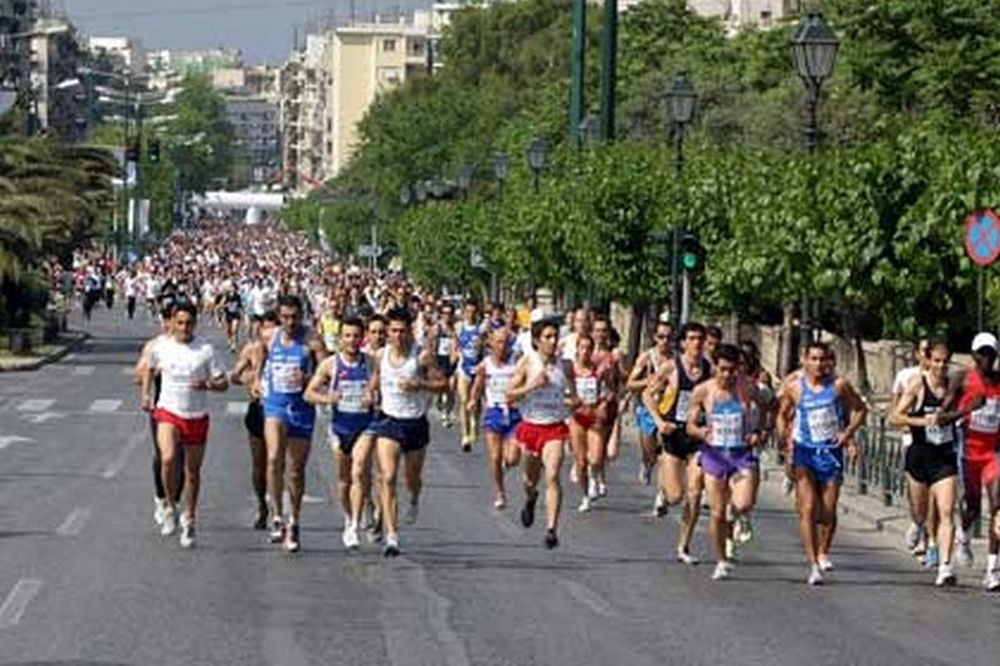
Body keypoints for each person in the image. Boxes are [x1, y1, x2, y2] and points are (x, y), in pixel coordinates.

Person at [776, 341, 867, 585]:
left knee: (826, 512)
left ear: (828, 362)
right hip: (804, 452)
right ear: (804, 360)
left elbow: (860, 410)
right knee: (807, 508)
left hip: (830, 453)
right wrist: (785, 438)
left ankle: (823, 549)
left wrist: (847, 435)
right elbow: (782, 414)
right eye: (813, 359)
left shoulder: (839, 387)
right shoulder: (795, 388)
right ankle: (813, 564)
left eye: (822, 359)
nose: (817, 364)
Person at [140, 301, 228, 548]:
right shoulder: (162, 347)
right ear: (173, 322)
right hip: (168, 411)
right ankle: (169, 504)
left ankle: (189, 518)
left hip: (196, 415)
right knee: (167, 458)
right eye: (179, 323)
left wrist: (208, 384)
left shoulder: (206, 350)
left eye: (188, 323)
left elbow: (223, 383)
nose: (183, 327)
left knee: (192, 472)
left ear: (195, 323)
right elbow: (148, 368)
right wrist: (147, 394)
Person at [368, 308, 447, 556]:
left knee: (411, 478)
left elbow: (443, 384)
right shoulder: (380, 355)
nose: (397, 336)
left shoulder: (422, 357)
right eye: (393, 331)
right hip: (389, 421)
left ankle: (413, 497)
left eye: (402, 331)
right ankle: (392, 536)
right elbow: (377, 379)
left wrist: (420, 384)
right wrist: (369, 392)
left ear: (410, 331)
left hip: (415, 423)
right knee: (387, 476)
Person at [256, 295, 328, 553]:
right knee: (274, 457)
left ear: (302, 315)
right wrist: (256, 380)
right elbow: (260, 357)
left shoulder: (312, 340)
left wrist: (308, 377)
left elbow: (328, 373)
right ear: (278, 316)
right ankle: (277, 516)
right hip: (275, 405)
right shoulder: (269, 336)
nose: (290, 322)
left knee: (296, 469)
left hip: (301, 408)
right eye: (285, 317)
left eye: (294, 317)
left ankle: (294, 520)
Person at [686, 343, 761, 580]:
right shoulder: (703, 391)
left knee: (743, 503)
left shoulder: (747, 388)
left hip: (740, 455)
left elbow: (768, 407)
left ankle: (740, 515)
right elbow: (690, 424)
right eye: (723, 369)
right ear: (715, 367)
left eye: (732, 370)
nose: (727, 375)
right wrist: (700, 433)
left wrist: (759, 431)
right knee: (717, 513)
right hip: (714, 455)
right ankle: (721, 559)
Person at [506, 317, 580, 549]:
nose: (553, 341)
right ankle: (530, 497)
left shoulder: (565, 365)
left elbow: (574, 396)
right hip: (530, 426)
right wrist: (532, 386)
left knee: (553, 475)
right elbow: (509, 395)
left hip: (555, 428)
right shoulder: (527, 363)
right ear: (537, 341)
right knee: (530, 480)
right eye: (547, 337)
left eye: (555, 336)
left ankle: (551, 529)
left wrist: (573, 402)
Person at [890, 337, 958, 586]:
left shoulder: (953, 386)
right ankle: (917, 524)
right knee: (920, 510)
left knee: (947, 511)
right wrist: (922, 422)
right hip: (919, 455)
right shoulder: (918, 385)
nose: (941, 366)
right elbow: (895, 417)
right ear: (928, 360)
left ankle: (945, 566)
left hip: (944, 458)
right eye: (936, 361)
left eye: (945, 362)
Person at [304, 317, 375, 550]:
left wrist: (374, 397)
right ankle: (349, 516)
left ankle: (354, 525)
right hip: (339, 427)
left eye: (356, 336)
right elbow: (309, 394)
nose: (352, 340)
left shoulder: (371, 363)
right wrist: (328, 398)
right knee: (344, 480)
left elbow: (384, 389)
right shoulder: (331, 365)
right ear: (340, 339)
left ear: (362, 338)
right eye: (347, 336)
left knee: (360, 467)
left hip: (366, 425)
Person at [645, 322, 712, 564]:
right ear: (683, 343)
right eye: (692, 339)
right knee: (675, 497)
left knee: (694, 493)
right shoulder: (671, 368)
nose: (697, 344)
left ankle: (684, 545)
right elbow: (647, 395)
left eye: (700, 339)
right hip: (673, 433)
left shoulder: (709, 370)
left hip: (696, 436)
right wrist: (658, 421)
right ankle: (663, 488)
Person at [938, 332, 1000, 590]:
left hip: (993, 454)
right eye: (981, 353)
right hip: (967, 453)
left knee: (997, 505)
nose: (986, 358)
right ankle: (963, 537)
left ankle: (992, 570)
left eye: (991, 354)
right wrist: (969, 409)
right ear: (974, 355)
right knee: (971, 507)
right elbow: (941, 418)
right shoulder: (962, 379)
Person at [133, 300, 184, 529]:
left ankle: (175, 500)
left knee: (181, 459)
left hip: (185, 406)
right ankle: (161, 498)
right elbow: (139, 375)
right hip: (161, 407)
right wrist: (147, 386)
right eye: (167, 320)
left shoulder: (189, 346)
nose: (170, 325)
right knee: (164, 456)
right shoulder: (154, 346)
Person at [229, 310, 278, 530]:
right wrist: (248, 378)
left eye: (272, 328)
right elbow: (234, 376)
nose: (267, 333)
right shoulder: (252, 349)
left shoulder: (288, 350)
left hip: (280, 410)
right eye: (264, 328)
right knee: (259, 464)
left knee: (276, 461)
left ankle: (277, 509)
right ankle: (262, 504)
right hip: (258, 410)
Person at [469, 327, 522, 510]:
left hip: (515, 413)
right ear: (491, 343)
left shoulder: (517, 361)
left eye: (506, 342)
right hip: (494, 412)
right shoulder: (486, 364)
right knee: (494, 456)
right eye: (499, 342)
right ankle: (500, 492)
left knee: (513, 457)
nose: (502, 346)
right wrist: (472, 400)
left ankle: (505, 466)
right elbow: (478, 385)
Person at [892, 338, 934, 558]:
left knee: (936, 496)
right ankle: (917, 522)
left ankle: (931, 542)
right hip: (913, 439)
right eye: (925, 351)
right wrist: (909, 425)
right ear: (918, 354)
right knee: (917, 493)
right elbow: (896, 407)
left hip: (938, 444)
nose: (928, 356)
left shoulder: (946, 379)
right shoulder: (906, 376)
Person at [625, 319, 673, 493]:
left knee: (664, 453)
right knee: (649, 449)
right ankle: (646, 461)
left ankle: (662, 491)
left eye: (668, 337)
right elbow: (630, 384)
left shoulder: (676, 360)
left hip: (667, 410)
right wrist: (649, 381)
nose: (664, 341)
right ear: (655, 338)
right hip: (647, 408)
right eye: (661, 337)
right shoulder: (647, 358)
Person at [569, 333, 611, 513]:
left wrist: (603, 405)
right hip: (577, 419)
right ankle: (585, 495)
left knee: (595, 457)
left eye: (589, 348)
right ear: (577, 349)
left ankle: (594, 476)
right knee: (580, 462)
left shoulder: (598, 371)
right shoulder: (570, 371)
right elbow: (562, 396)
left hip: (594, 418)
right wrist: (573, 403)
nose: (585, 352)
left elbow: (609, 392)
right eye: (582, 348)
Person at [455, 300, 485, 452]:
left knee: (476, 402)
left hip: (478, 368)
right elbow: (455, 345)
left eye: (473, 312)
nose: (471, 314)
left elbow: (487, 346)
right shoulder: (459, 327)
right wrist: (455, 355)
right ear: (464, 312)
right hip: (464, 368)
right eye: (468, 311)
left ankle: (475, 422)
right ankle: (465, 435)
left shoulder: (481, 329)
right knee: (464, 400)